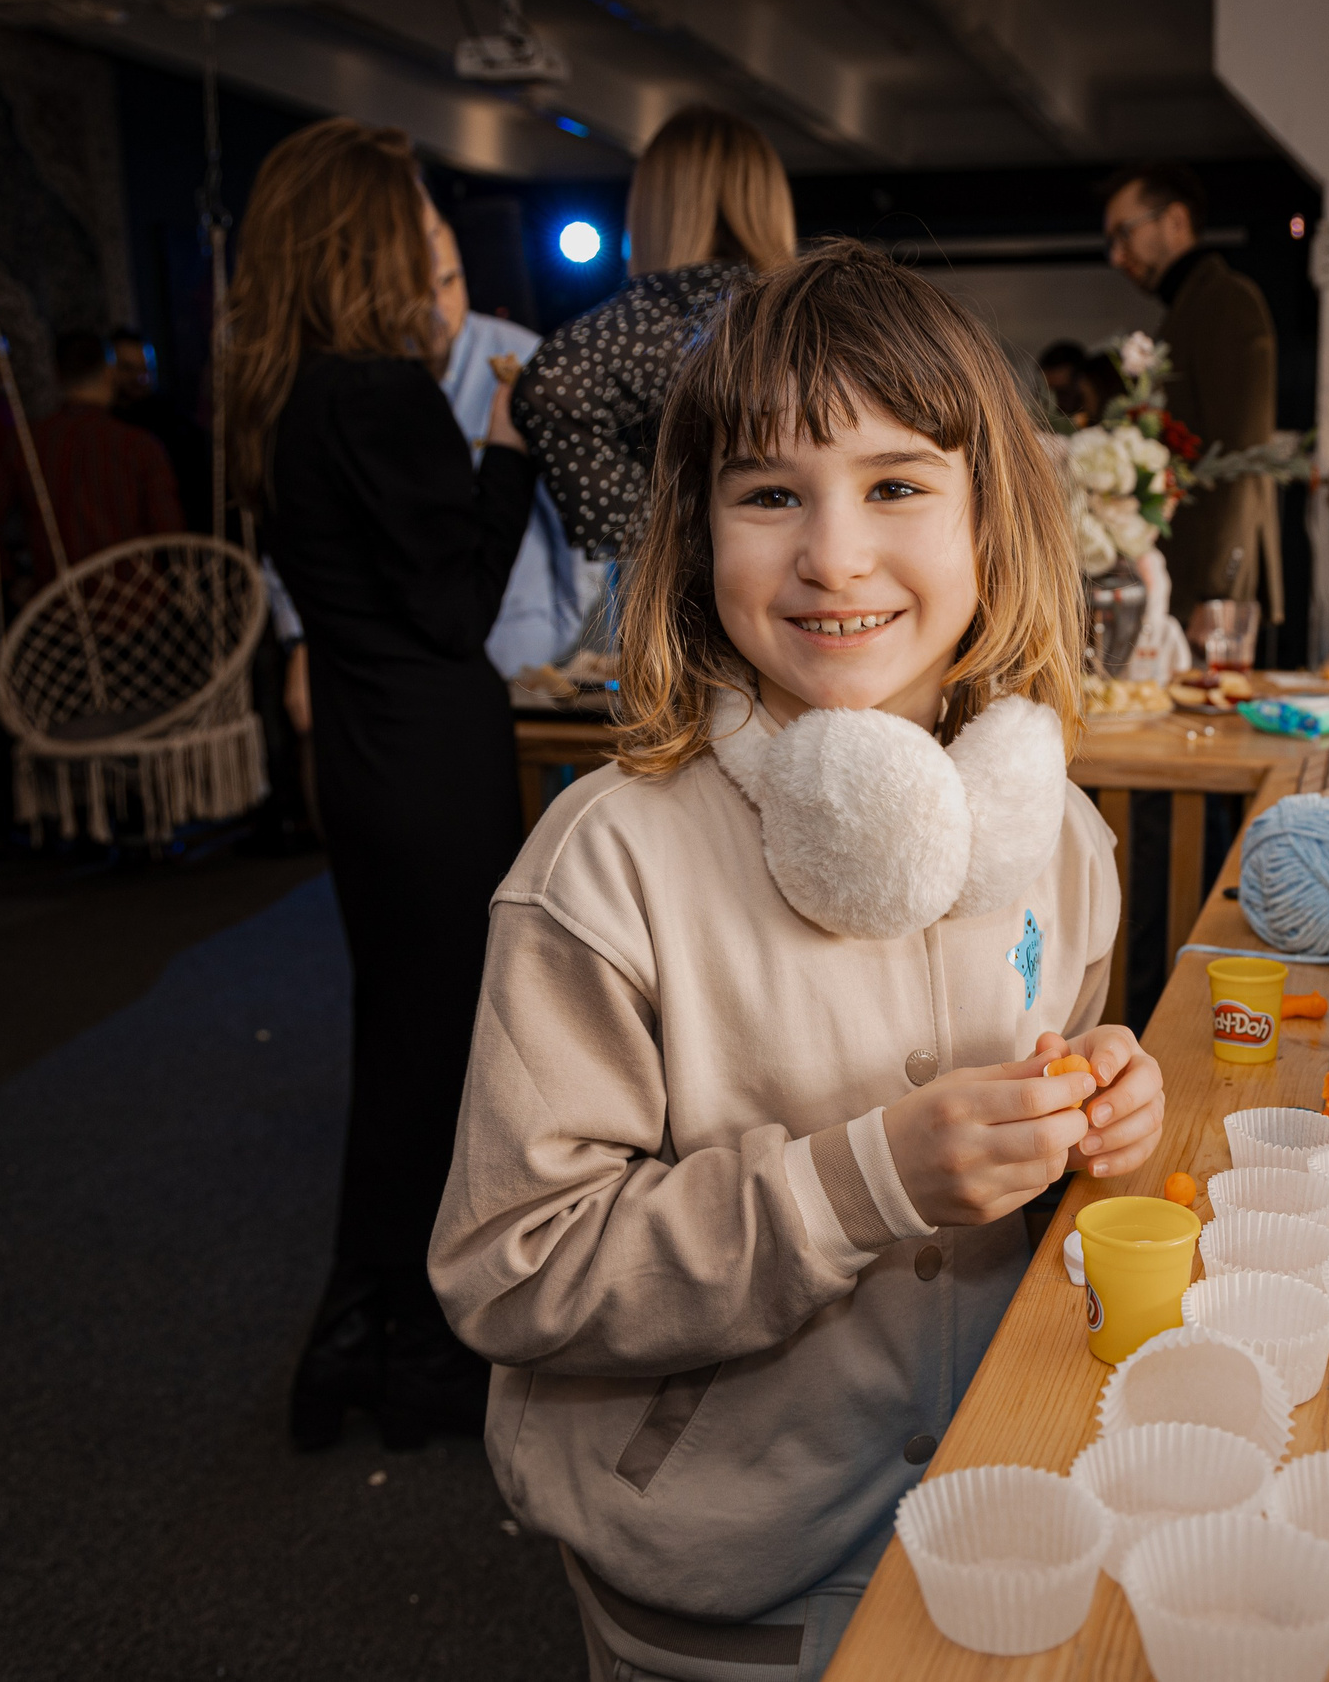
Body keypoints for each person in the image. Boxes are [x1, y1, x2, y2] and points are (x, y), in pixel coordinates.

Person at [431, 241, 1165, 1682]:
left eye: (897, 484)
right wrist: (858, 1181)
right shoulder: (607, 866)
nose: (833, 552)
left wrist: (1101, 1102)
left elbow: (1056, 1053)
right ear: (697, 535)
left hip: (992, 1490)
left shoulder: (1053, 829)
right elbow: (509, 1272)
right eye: (772, 492)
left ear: (989, 524)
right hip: (729, 1570)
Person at [222, 118, 536, 1451]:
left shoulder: (284, 389)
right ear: (366, 235)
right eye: (409, 213)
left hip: (360, 750)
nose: (426, 236)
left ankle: (355, 1342)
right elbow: (459, 603)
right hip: (430, 755)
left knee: (402, 1046)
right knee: (443, 1055)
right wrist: (510, 443)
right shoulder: (383, 390)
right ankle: (408, 1353)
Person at [512, 104, 796, 561]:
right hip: (811, 577)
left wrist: (662, 536)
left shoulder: (625, 329)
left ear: (652, 207)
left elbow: (546, 387)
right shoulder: (809, 319)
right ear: (769, 202)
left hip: (671, 611)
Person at [1101, 161, 1280, 612]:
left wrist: (1219, 592)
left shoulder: (1225, 301)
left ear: (1175, 221)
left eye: (1124, 233)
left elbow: (1241, 453)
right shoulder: (1189, 308)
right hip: (1193, 576)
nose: (1117, 256)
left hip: (1213, 585)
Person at [427, 219, 587, 677]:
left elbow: (572, 508)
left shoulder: (528, 362)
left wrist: (567, 629)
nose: (439, 305)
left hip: (518, 636)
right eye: (419, 288)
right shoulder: (374, 380)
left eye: (449, 281)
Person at [0, 330, 184, 591]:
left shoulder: (27, 443)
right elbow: (170, 533)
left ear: (56, 376)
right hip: (136, 600)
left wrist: (10, 579)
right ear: (110, 374)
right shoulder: (137, 445)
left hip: (58, 603)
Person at [110, 327, 216, 536]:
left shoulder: (176, 423)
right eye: (128, 369)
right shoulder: (108, 428)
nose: (139, 378)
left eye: (145, 369)